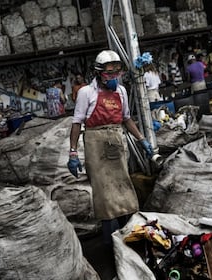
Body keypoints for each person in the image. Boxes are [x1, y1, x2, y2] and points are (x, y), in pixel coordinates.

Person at [67, 50, 154, 247]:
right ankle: (110, 243)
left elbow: (126, 119)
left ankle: (131, 235)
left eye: (116, 72)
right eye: (109, 73)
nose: (113, 77)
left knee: (124, 187)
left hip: (116, 140)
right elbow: (77, 123)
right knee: (105, 195)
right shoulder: (86, 93)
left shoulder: (121, 92)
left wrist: (141, 140)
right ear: (99, 73)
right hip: (95, 143)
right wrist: (73, 153)